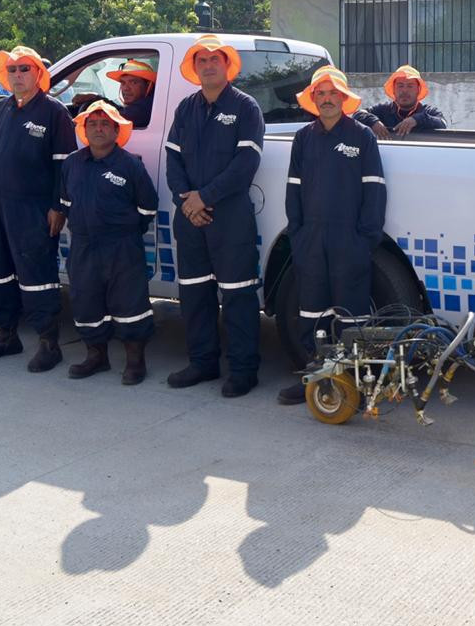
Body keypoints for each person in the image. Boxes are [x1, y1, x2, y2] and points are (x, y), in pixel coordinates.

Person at [277, 65, 386, 405]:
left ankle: (357, 384)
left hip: (349, 240)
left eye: (333, 93)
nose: (326, 99)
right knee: (312, 313)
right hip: (310, 239)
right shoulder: (303, 138)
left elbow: (375, 190)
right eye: (320, 94)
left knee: (352, 316)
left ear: (343, 98)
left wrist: (364, 239)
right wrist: (298, 234)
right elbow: (293, 190)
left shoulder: (362, 137)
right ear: (313, 99)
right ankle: (315, 378)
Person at [164, 35, 264, 397]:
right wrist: (187, 202)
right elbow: (173, 159)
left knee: (237, 294)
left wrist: (204, 198)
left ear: (227, 65)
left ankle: (243, 370)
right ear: (195, 68)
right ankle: (203, 362)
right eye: (201, 60)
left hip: (230, 216)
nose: (208, 65)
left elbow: (245, 163)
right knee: (194, 293)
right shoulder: (185, 108)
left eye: (214, 59)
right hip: (190, 216)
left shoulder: (245, 107)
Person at [0, 45, 76, 372]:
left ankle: (48, 343)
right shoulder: (1, 110)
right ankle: (6, 336)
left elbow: (64, 166)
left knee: (37, 277)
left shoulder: (54, 113)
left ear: (38, 73)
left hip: (34, 210)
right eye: (12, 70)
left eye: (24, 69)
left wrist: (59, 207)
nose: (17, 75)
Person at [59, 101, 158, 384]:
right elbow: (65, 201)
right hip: (83, 246)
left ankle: (135, 362)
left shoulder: (130, 165)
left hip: (122, 246)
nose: (98, 129)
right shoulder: (72, 164)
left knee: (129, 303)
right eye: (92, 124)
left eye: (105, 124)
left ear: (117, 131)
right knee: (86, 300)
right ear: (84, 130)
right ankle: (96, 356)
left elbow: (148, 206)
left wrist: (125, 230)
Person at [352, 65, 447, 140]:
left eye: (410, 86)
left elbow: (442, 123)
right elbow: (357, 114)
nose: (404, 90)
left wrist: (417, 119)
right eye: (400, 86)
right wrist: (372, 121)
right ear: (393, 89)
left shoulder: (428, 111)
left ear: (418, 90)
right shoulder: (383, 110)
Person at [72, 59, 156, 127]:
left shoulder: (145, 107)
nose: (126, 88)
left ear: (148, 85)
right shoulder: (149, 102)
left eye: (133, 82)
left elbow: (115, 117)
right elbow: (120, 110)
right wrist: (96, 97)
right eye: (123, 83)